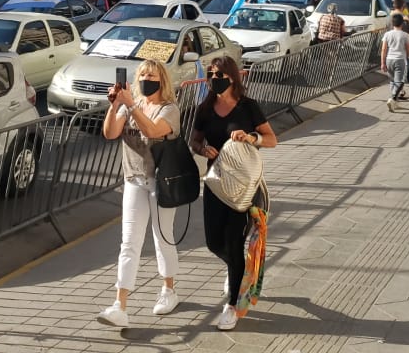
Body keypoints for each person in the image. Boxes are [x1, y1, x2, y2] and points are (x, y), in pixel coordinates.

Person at [189, 55, 277, 331]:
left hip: (242, 187)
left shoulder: (248, 108)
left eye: (219, 75)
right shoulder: (205, 108)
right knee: (213, 242)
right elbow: (194, 139)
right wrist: (202, 150)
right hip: (215, 183)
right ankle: (235, 270)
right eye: (211, 74)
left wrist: (251, 137)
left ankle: (232, 306)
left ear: (232, 78)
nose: (215, 79)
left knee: (233, 239)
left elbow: (272, 139)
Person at [95, 60, 184, 329]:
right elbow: (110, 133)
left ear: (162, 81)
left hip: (162, 182)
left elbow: (152, 130)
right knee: (129, 242)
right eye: (142, 74)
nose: (146, 78)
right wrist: (115, 105)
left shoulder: (169, 109)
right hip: (134, 178)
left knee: (162, 238)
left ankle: (169, 290)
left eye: (151, 75)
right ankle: (120, 305)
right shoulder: (128, 105)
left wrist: (131, 104)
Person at [380, 13, 409, 111]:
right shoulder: (405, 35)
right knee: (400, 81)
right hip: (400, 60)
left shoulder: (387, 34)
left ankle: (395, 103)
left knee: (392, 81)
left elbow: (383, 50)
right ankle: (393, 99)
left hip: (389, 59)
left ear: (392, 23)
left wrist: (382, 63)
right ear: (402, 23)